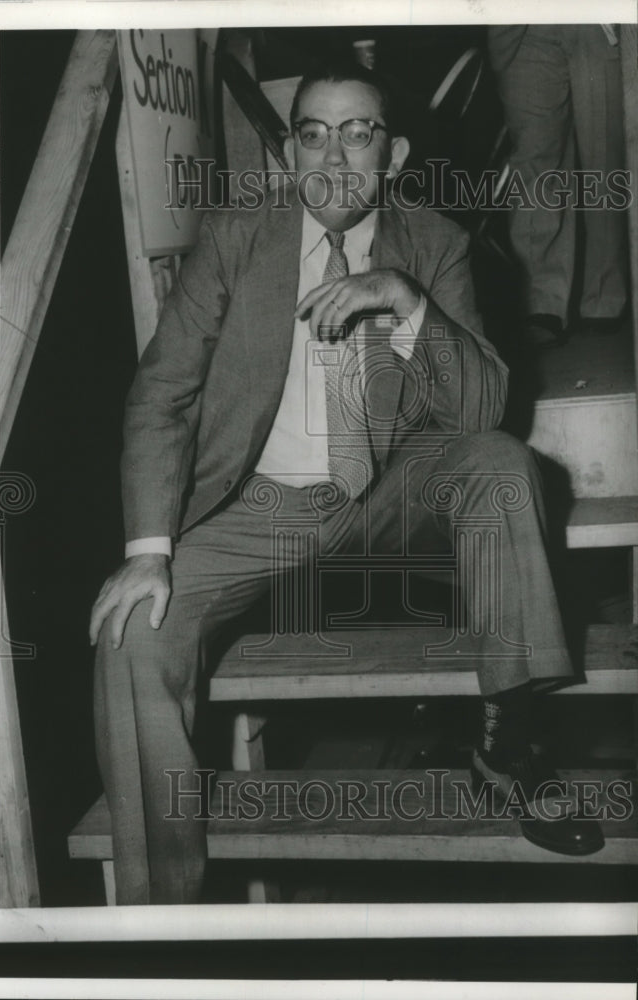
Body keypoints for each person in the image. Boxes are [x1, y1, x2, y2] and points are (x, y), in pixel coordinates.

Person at [90, 59, 604, 905]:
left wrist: (406, 303)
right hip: (254, 504)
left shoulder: (433, 243)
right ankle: (161, 914)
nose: (334, 158)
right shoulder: (235, 235)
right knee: (131, 633)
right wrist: (148, 548)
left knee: (504, 469)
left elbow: (484, 409)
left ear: (393, 154)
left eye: (358, 134)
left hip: (387, 492)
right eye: (313, 134)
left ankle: (509, 746)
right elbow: (162, 394)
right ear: (292, 152)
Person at [488, 25, 627, 347]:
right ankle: (542, 303)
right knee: (534, 161)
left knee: (605, 157)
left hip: (595, 19)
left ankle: (605, 297)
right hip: (520, 22)